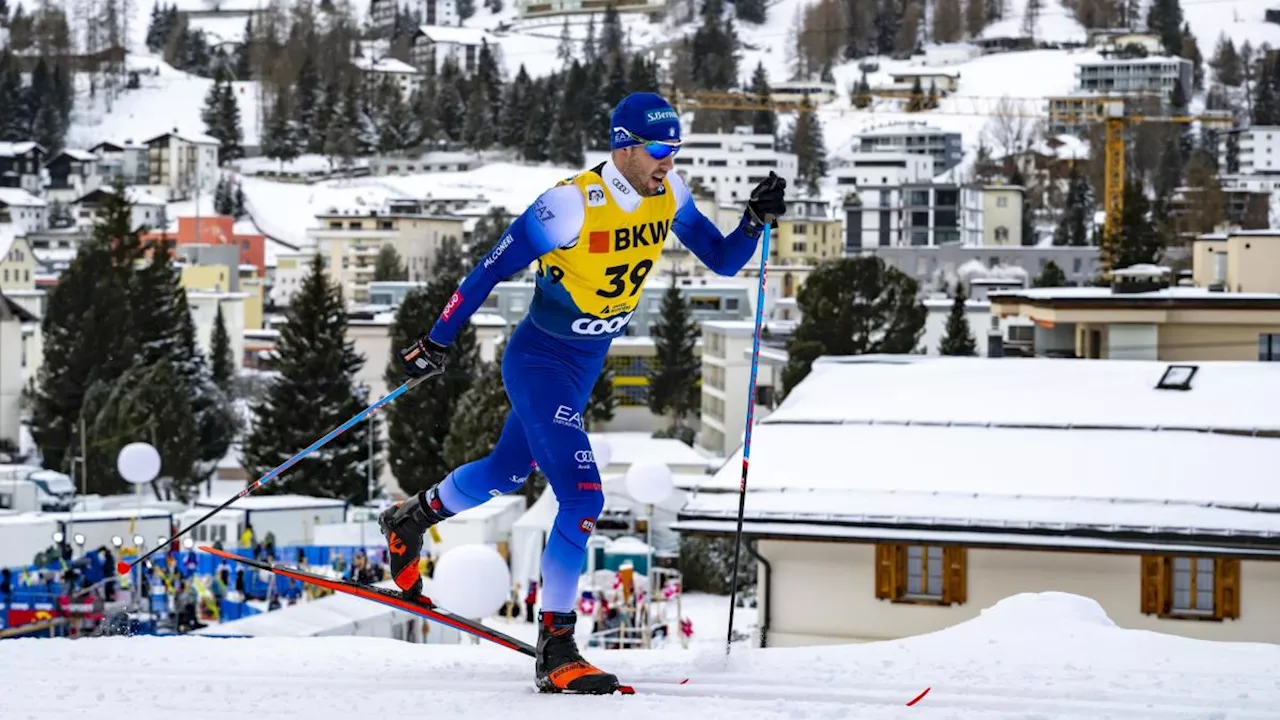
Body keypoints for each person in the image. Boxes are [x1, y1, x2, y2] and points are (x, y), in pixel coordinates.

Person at [380, 91, 787, 694]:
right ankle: (557, 646)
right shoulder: (568, 205)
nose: (667, 164)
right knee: (584, 498)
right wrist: (437, 341)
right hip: (539, 360)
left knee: (504, 472)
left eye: (674, 151)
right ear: (623, 146)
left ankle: (411, 517)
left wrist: (754, 220)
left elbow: (724, 261)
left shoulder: (668, 195)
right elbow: (488, 269)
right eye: (657, 151)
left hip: (583, 365)